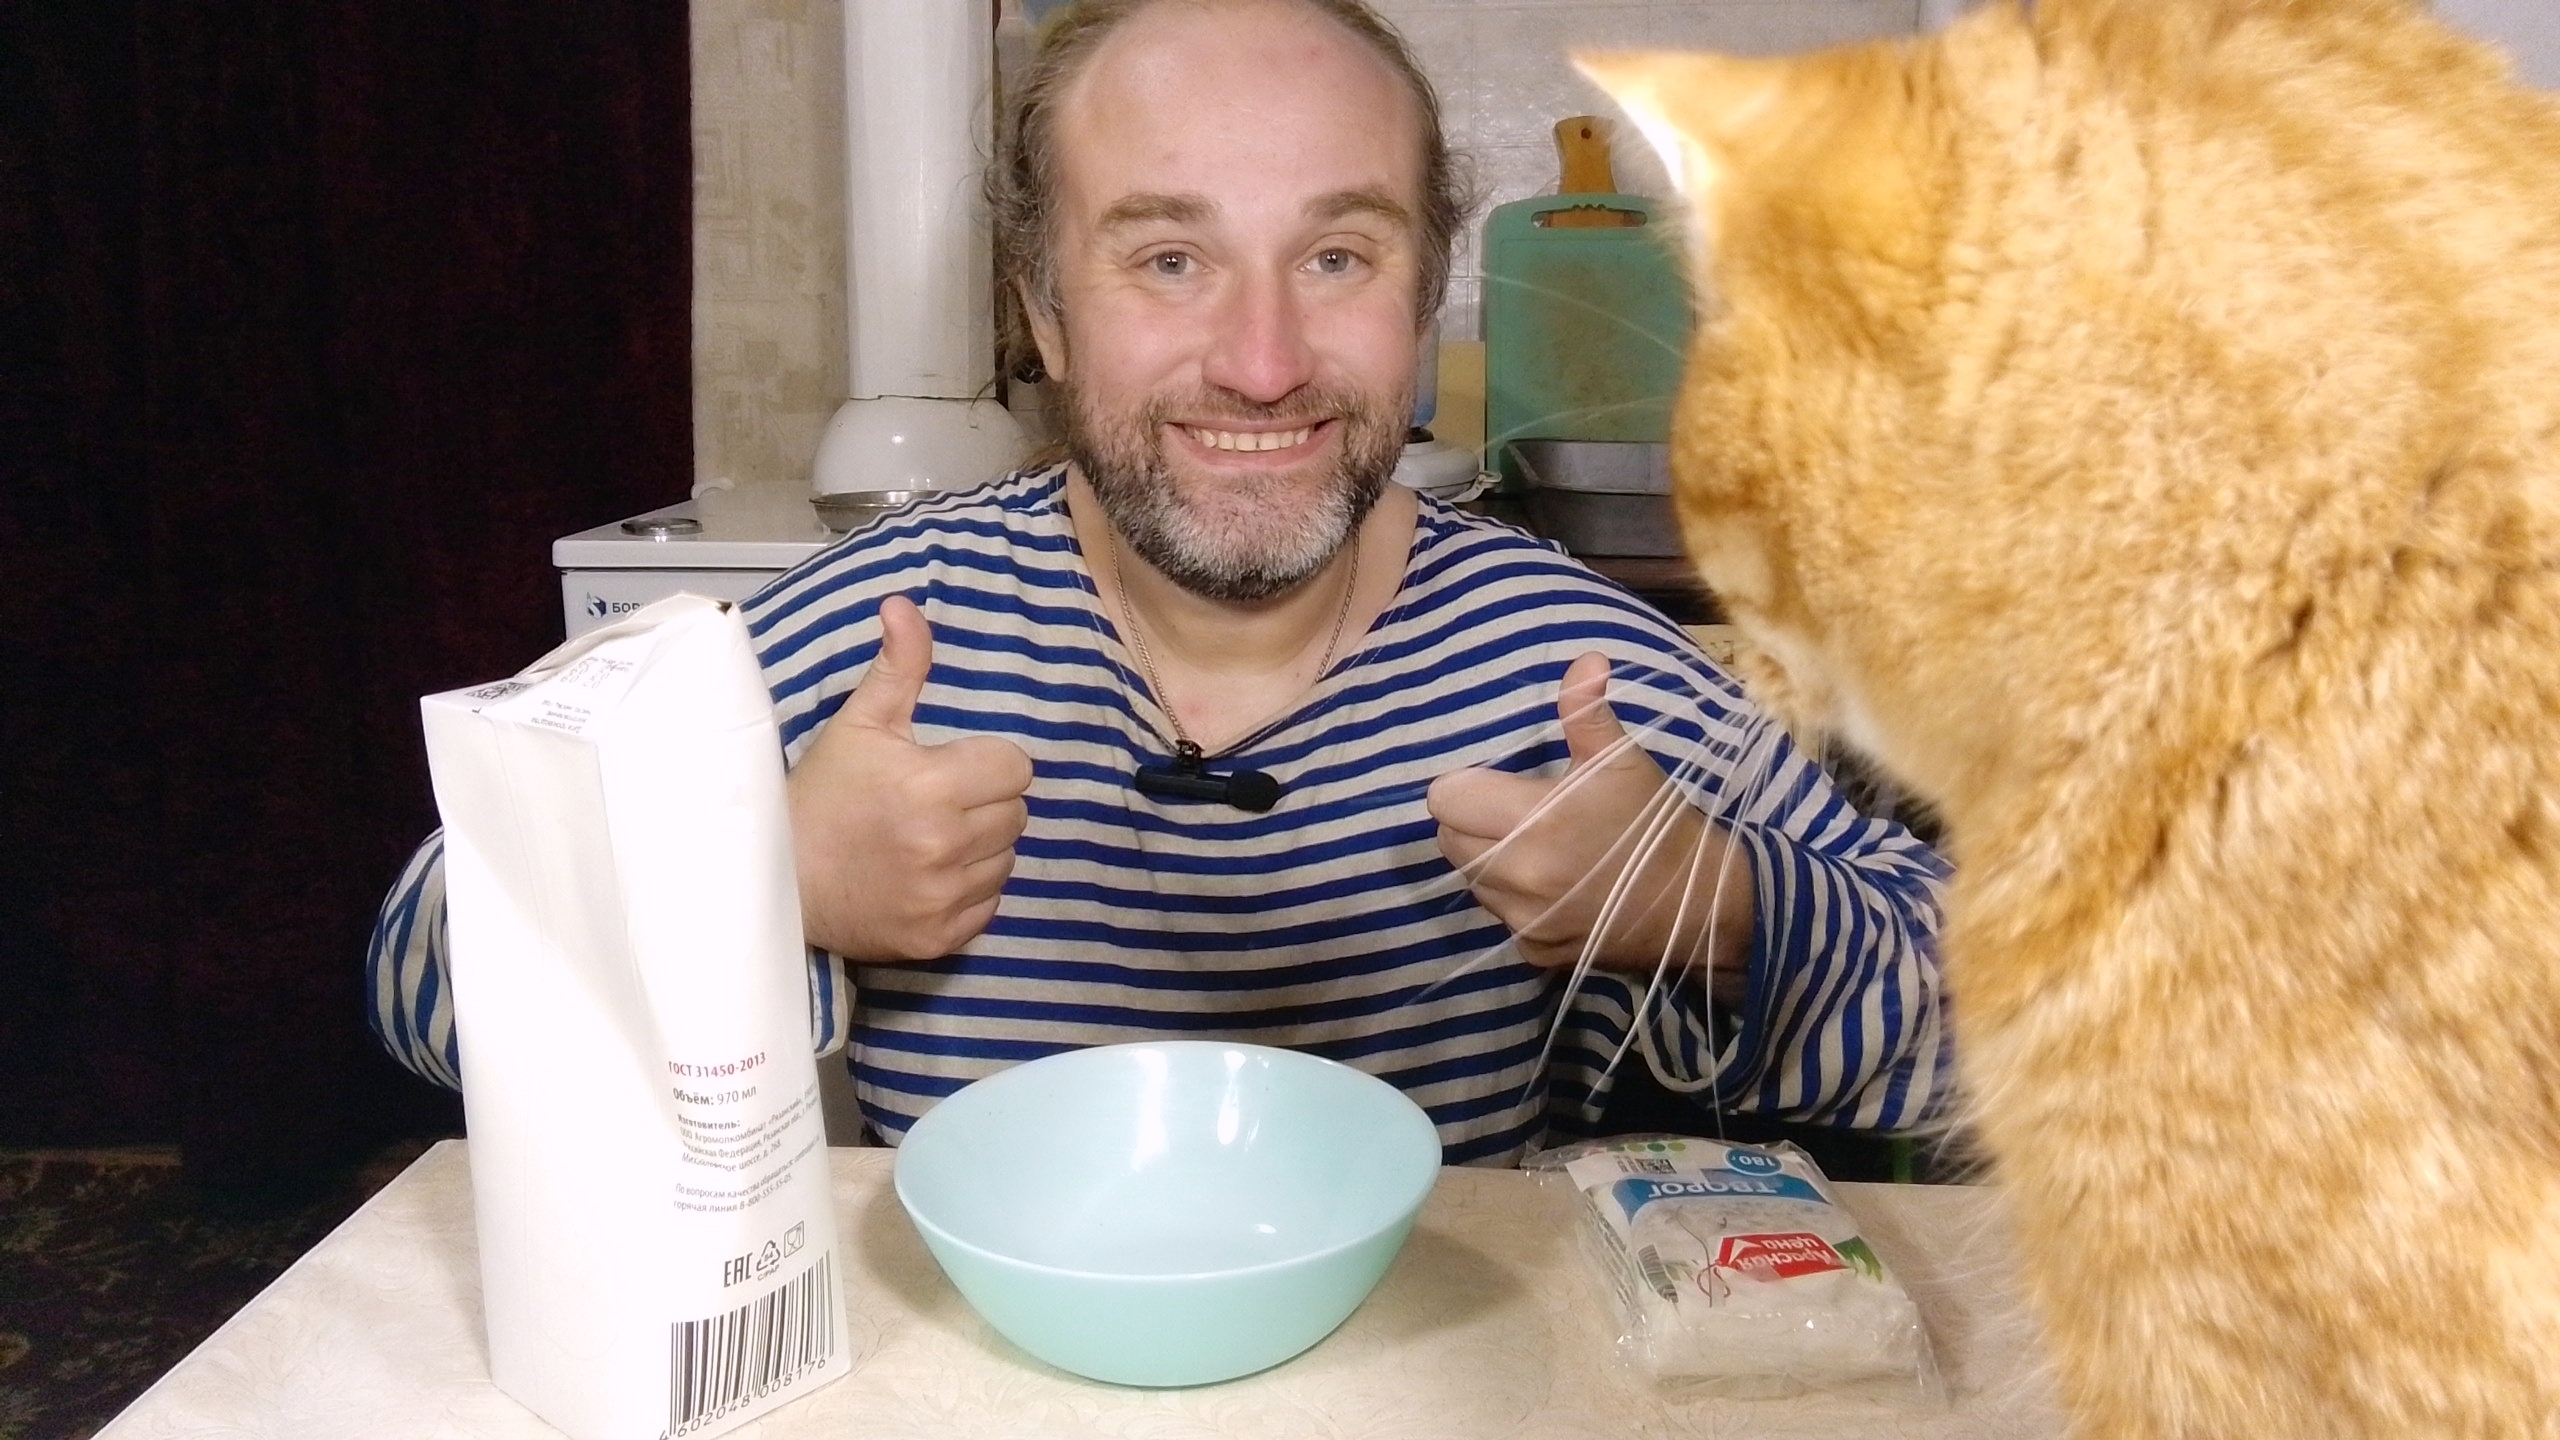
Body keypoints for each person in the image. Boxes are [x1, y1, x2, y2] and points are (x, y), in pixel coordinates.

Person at [369, 0, 1949, 1165]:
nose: (1261, 363)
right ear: (1044, 315)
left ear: (1420, 305)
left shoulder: (1576, 668)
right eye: (1168, 258)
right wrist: (760, 875)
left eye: (1338, 256)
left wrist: (1725, 908)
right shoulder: (872, 630)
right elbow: (421, 971)